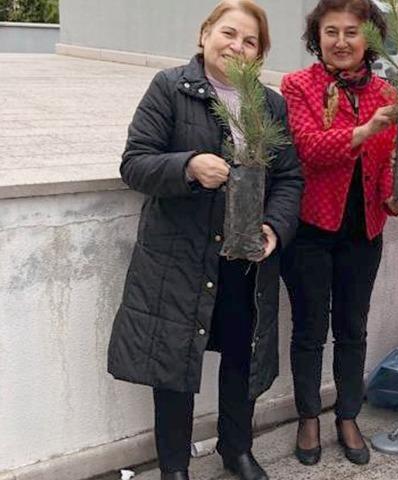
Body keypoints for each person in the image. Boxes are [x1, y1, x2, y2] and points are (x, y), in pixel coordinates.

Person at [106, 2, 303, 479]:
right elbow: (134, 162)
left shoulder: (270, 104)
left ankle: (237, 450)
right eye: (228, 33)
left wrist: (274, 227)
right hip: (179, 257)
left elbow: (289, 178)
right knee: (174, 366)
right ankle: (174, 465)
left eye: (250, 41)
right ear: (205, 34)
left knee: (242, 356)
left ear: (258, 54)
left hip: (245, 260)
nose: (237, 45)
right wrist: (189, 166)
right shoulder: (170, 89)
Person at [279, 0, 398, 467]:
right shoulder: (298, 85)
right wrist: (362, 130)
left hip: (364, 231)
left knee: (353, 328)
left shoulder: (386, 92)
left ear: (369, 39)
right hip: (311, 229)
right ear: (317, 38)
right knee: (310, 330)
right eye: (330, 32)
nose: (340, 42)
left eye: (351, 32)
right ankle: (309, 416)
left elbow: (391, 161)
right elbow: (308, 148)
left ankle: (348, 415)